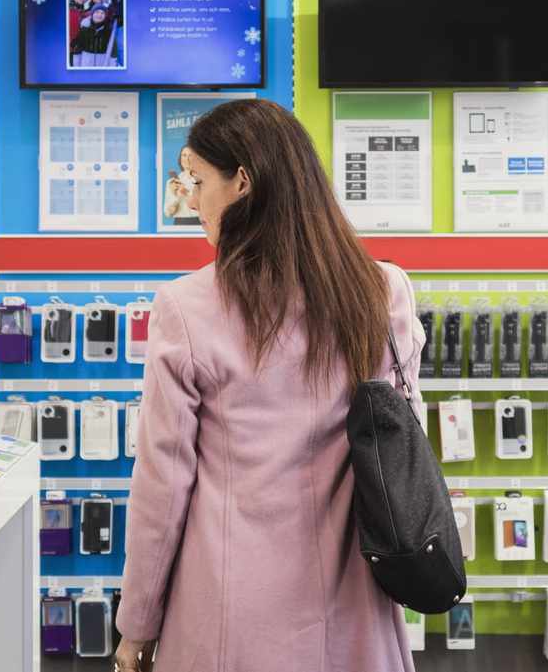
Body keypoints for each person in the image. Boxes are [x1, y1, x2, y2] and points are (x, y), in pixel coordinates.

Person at [113, 99, 421, 672]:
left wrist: (138, 624)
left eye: (200, 182)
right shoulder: (383, 291)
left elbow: (164, 482)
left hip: (228, 609)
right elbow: (400, 444)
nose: (193, 201)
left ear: (242, 184)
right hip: (355, 603)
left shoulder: (186, 307)